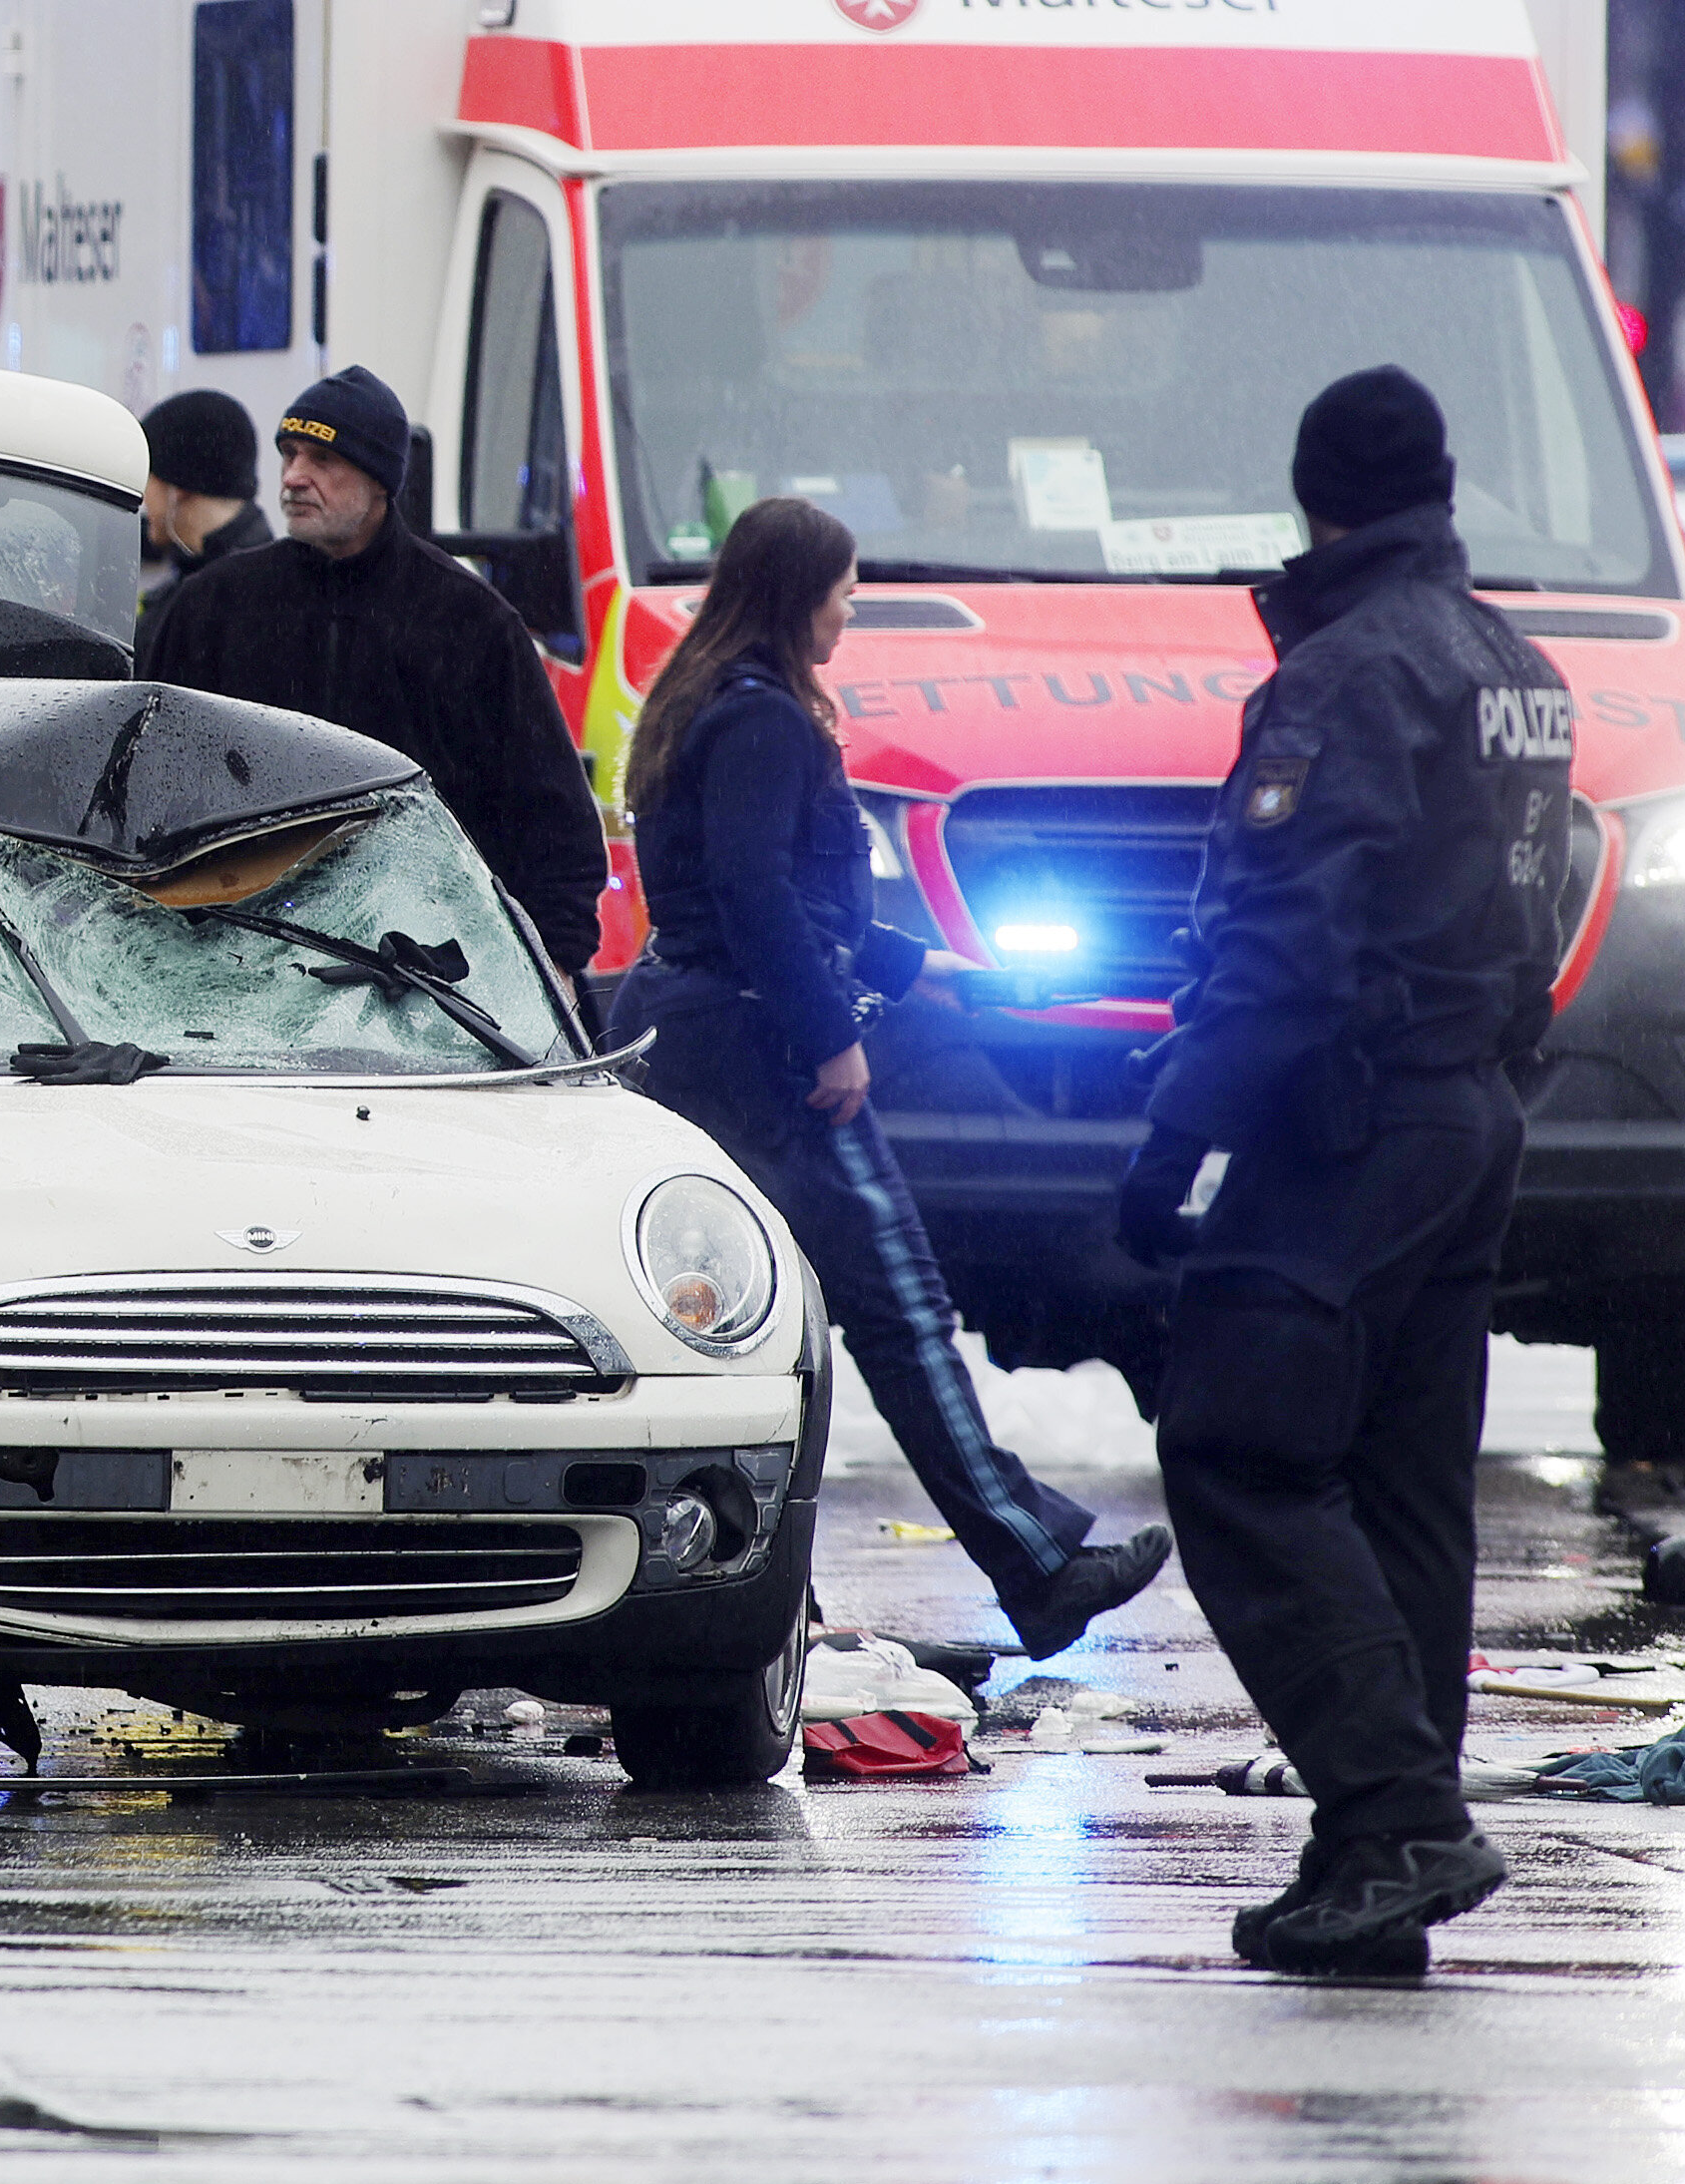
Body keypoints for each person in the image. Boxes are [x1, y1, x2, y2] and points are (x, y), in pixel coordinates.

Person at [1117, 367, 1575, 1977]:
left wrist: (1176, 1136)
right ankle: (1373, 1846)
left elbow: (1277, 943)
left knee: (1235, 1446)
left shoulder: (1340, 677)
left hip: (1348, 1117)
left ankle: (1390, 1820)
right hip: (1465, 1114)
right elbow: (1545, 905)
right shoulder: (1512, 666)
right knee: (1397, 1489)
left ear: (1309, 499)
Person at [611, 495, 1174, 1660]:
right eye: (844, 586)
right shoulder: (763, 721)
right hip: (764, 1052)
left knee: (750, 1333)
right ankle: (1040, 1564)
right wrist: (832, 1038)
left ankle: (735, 1592)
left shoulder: (703, 703)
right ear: (797, 591)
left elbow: (783, 903)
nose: (852, 606)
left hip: (696, 1033)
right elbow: (763, 899)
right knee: (903, 1313)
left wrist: (937, 975)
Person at [139, 365, 609, 977]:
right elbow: (145, 801)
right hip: (238, 978)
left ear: (380, 480)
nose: (293, 478)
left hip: (429, 993)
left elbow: (555, 830)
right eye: (289, 454)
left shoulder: (471, 624)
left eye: (321, 459)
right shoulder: (213, 610)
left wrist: (554, 972)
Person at [133, 389, 271, 662]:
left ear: (178, 486)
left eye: (148, 476)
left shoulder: (224, 604)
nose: (142, 496)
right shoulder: (208, 583)